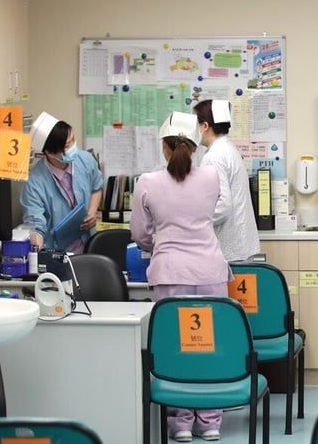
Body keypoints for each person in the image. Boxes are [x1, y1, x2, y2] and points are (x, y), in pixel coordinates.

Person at [131, 111, 232, 443]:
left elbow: (140, 235)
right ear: (194, 146)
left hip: (170, 273)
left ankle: (181, 423)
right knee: (210, 346)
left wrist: (159, 243)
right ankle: (211, 420)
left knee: (176, 348)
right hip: (210, 271)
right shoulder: (211, 177)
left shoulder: (147, 182)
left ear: (164, 145)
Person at [20, 112, 103, 254]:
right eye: (67, 145)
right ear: (50, 153)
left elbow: (97, 186)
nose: (73, 147)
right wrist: (36, 248)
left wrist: (91, 212)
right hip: (55, 250)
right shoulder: (34, 182)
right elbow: (35, 223)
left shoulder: (86, 160)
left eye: (73, 140)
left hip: (88, 244)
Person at [193, 99, 259, 262]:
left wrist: (193, 222)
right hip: (240, 245)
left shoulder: (215, 157)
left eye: (194, 123)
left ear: (205, 126)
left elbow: (222, 206)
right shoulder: (227, 148)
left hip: (229, 250)